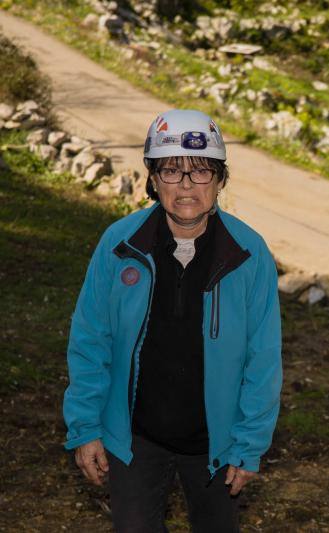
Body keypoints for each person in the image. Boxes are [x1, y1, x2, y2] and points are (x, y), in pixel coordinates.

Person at [62, 109, 282, 532]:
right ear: (152, 177)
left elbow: (264, 360)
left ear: (220, 179)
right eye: (170, 171)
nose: (185, 186)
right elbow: (90, 340)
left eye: (200, 172)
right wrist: (85, 426)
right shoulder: (120, 245)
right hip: (134, 437)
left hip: (216, 442)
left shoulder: (248, 254)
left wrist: (249, 444)